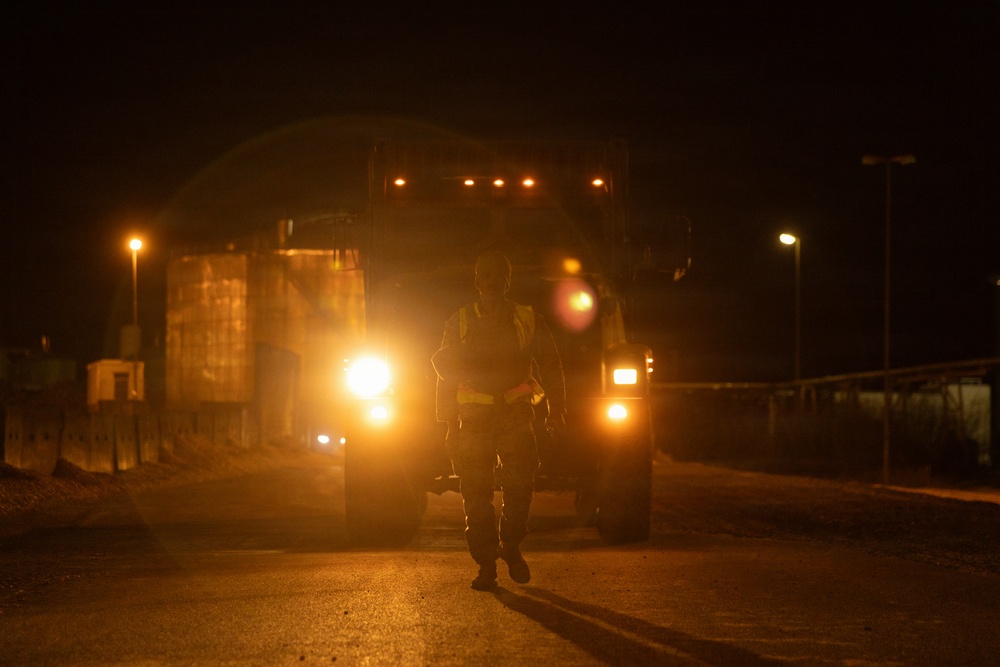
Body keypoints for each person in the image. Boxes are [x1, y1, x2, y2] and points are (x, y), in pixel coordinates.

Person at [432, 251, 566, 591]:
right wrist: (448, 425)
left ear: (508, 282)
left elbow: (550, 362)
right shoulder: (459, 320)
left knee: (520, 488)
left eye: (498, 276)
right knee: (475, 494)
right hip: (474, 421)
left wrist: (557, 407)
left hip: (515, 418)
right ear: (477, 281)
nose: (491, 281)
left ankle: (511, 545)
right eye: (485, 276)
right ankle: (487, 565)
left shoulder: (526, 318)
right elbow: (445, 376)